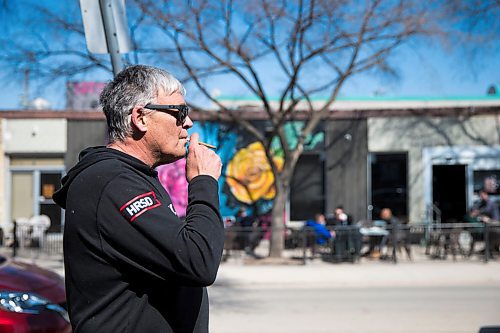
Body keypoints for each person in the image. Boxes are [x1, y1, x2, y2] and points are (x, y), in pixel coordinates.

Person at [53, 65, 224, 333]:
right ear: (140, 117)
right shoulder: (114, 182)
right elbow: (197, 260)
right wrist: (203, 182)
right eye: (179, 113)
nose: (188, 123)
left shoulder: (131, 177)